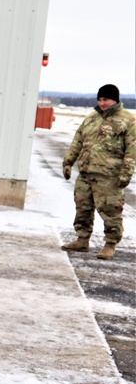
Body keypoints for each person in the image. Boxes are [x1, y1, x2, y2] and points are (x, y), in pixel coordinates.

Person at [60, 84, 135, 260]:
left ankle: (110, 244)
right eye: (100, 100)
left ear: (115, 100)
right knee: (83, 208)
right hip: (86, 173)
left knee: (110, 211)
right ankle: (82, 240)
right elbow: (77, 141)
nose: (102, 103)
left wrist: (126, 173)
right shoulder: (91, 119)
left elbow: (132, 149)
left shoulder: (128, 121)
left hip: (109, 177)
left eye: (106, 100)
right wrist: (68, 161)